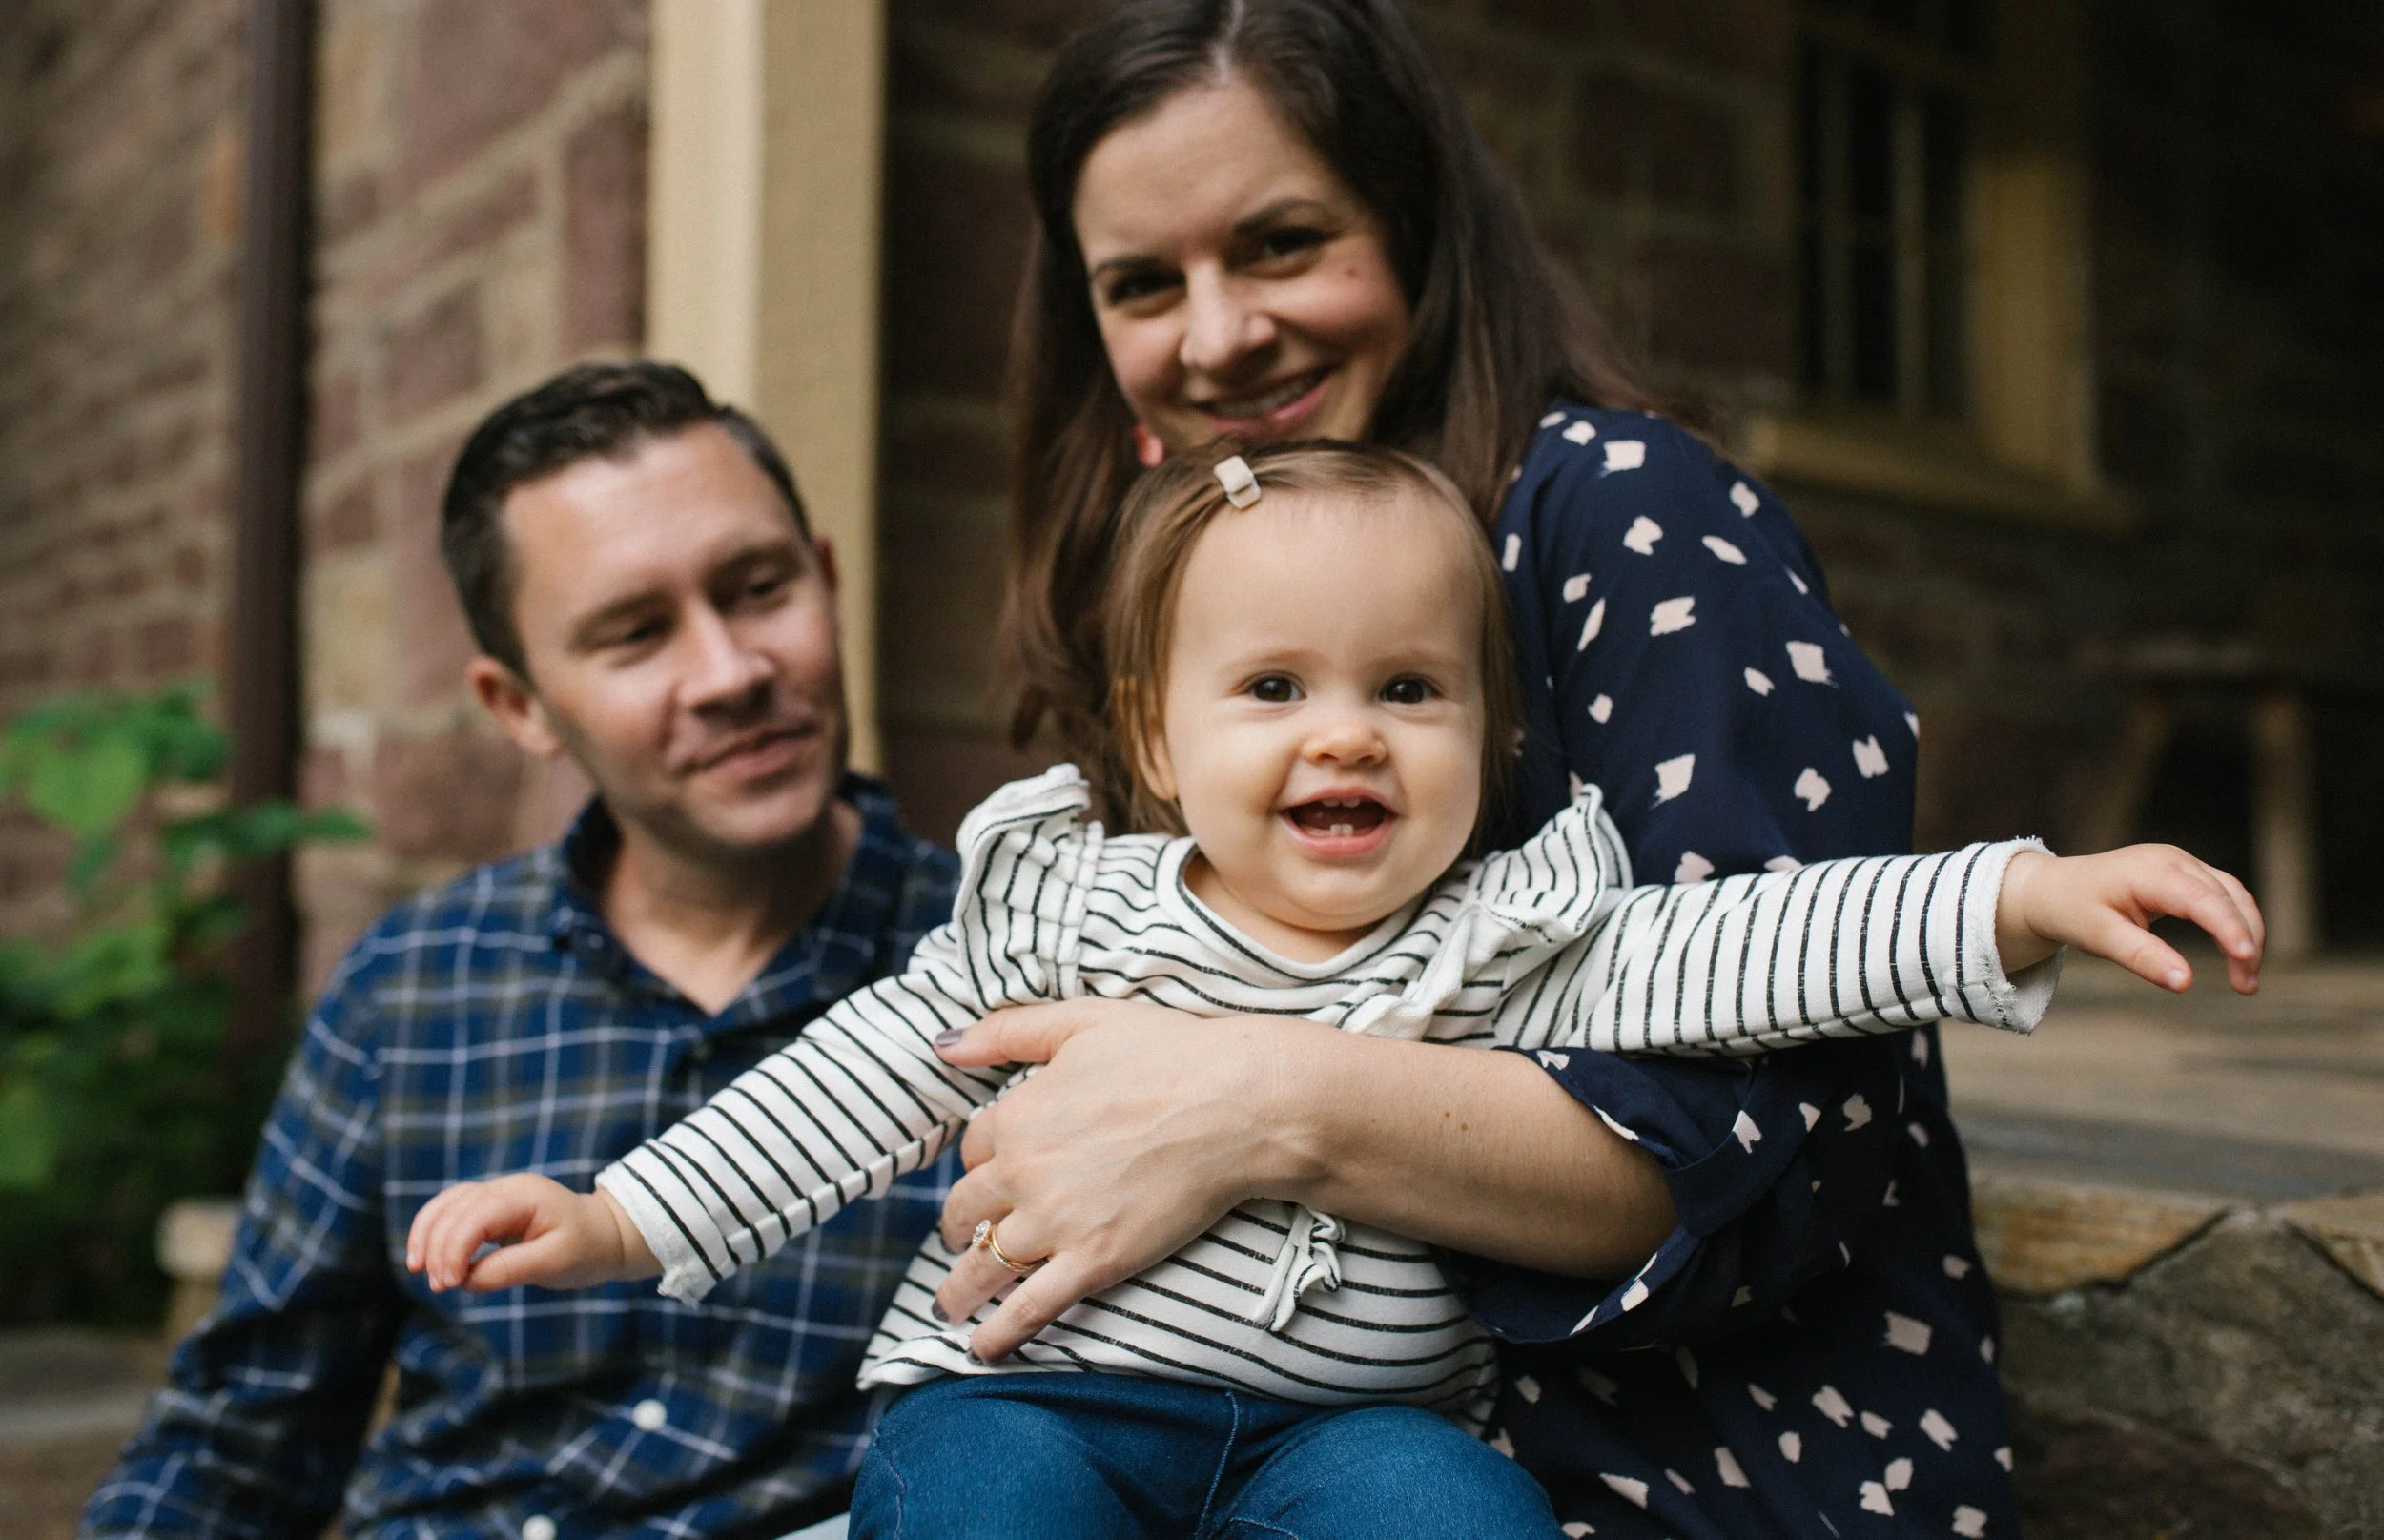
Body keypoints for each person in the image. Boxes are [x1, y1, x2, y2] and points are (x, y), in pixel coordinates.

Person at [895, 0, 2258, 1535]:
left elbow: (1740, 1133)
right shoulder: (1180, 598)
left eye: (1283, 243)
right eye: (1143, 283)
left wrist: (1257, 1094)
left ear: (1417, 226)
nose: (1219, 336)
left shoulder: (1628, 515)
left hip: (1668, 1462)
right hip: (1219, 1446)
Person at [405, 441, 2260, 1540]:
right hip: (1040, 1391)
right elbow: (851, 1076)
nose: (1343, 734)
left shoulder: (1522, 925)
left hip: (1348, 1430)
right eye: (1272, 686)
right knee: (973, 1500)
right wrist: (615, 1209)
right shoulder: (1072, 906)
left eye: (1405, 686)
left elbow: (1769, 935)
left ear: (1485, 725)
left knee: (1452, 1512)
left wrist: (2018, 893)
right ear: (1154, 728)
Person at [79, 362, 961, 1540]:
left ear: (828, 578)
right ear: (520, 704)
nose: (732, 671)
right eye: (635, 632)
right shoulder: (415, 986)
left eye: (759, 588)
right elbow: (247, 1432)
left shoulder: (1011, 963)